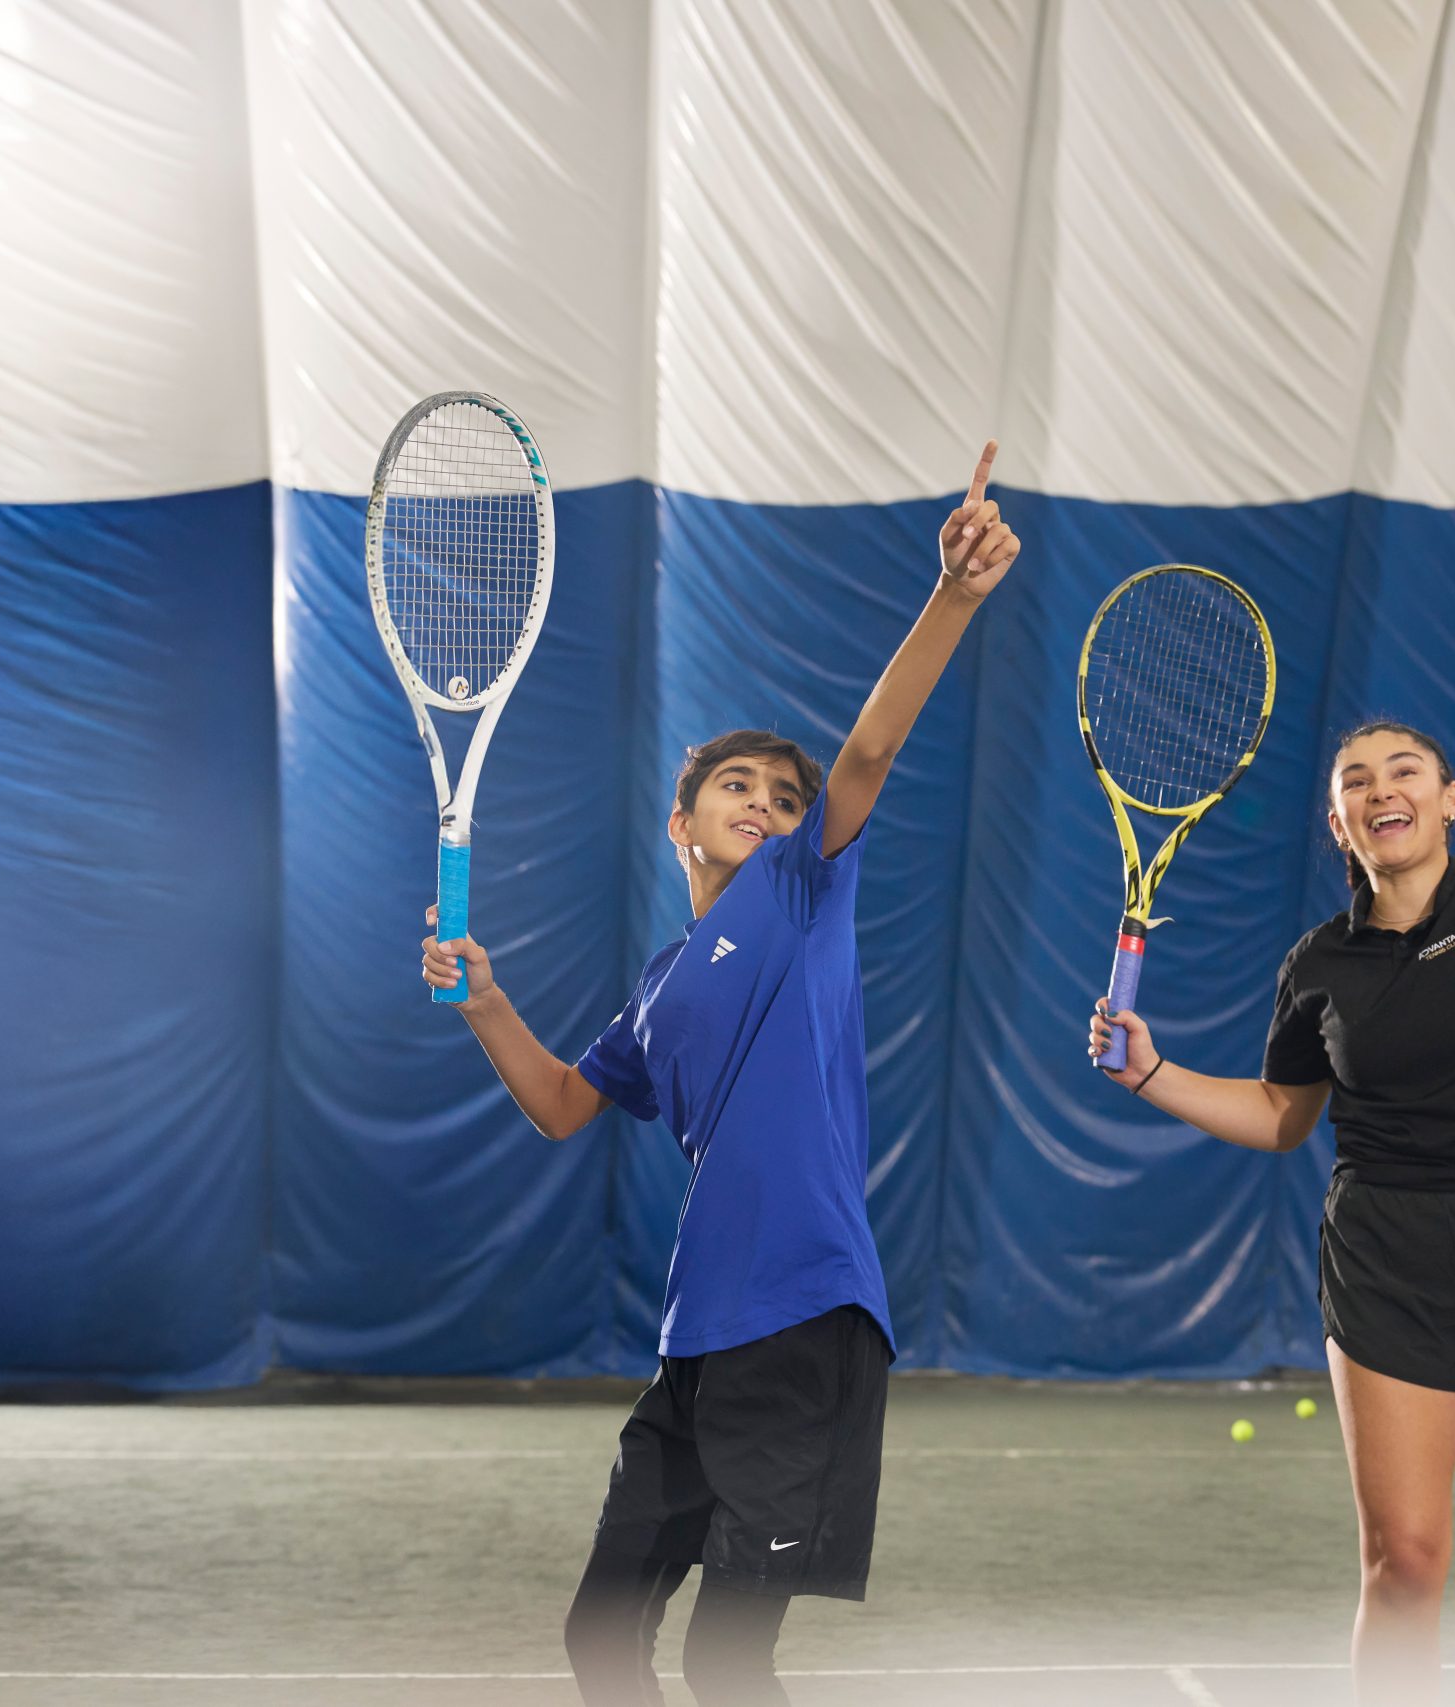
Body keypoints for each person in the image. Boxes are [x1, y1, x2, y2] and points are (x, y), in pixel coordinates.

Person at [424, 443, 1020, 1707]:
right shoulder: (655, 985)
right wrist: (487, 1003)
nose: (764, 801)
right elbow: (562, 1106)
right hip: (696, 1341)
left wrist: (954, 598)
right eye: (733, 787)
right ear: (682, 823)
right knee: (603, 1639)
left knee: (728, 1658)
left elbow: (862, 757)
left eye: (780, 795)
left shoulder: (803, 893)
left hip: (805, 1319)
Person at [1088, 471, 1455, 1706]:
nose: (1382, 789)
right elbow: (1281, 1118)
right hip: (1387, 1256)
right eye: (1356, 782)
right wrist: (1153, 1074)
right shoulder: (1317, 966)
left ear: (1449, 799)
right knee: (1403, 1566)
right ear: (1341, 827)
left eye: (1404, 769)